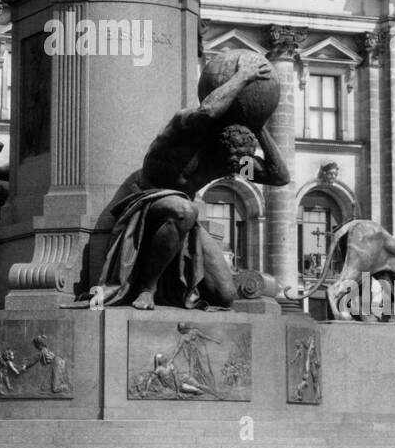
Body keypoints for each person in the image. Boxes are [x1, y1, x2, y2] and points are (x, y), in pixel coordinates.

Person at [93, 55, 289, 310]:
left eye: (236, 166)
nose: (233, 171)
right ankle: (146, 289)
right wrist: (243, 76)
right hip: (145, 196)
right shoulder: (184, 129)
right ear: (217, 144)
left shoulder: (229, 159)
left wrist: (259, 125)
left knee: (225, 295)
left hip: (182, 214)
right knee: (185, 209)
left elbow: (278, 176)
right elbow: (208, 111)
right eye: (231, 164)